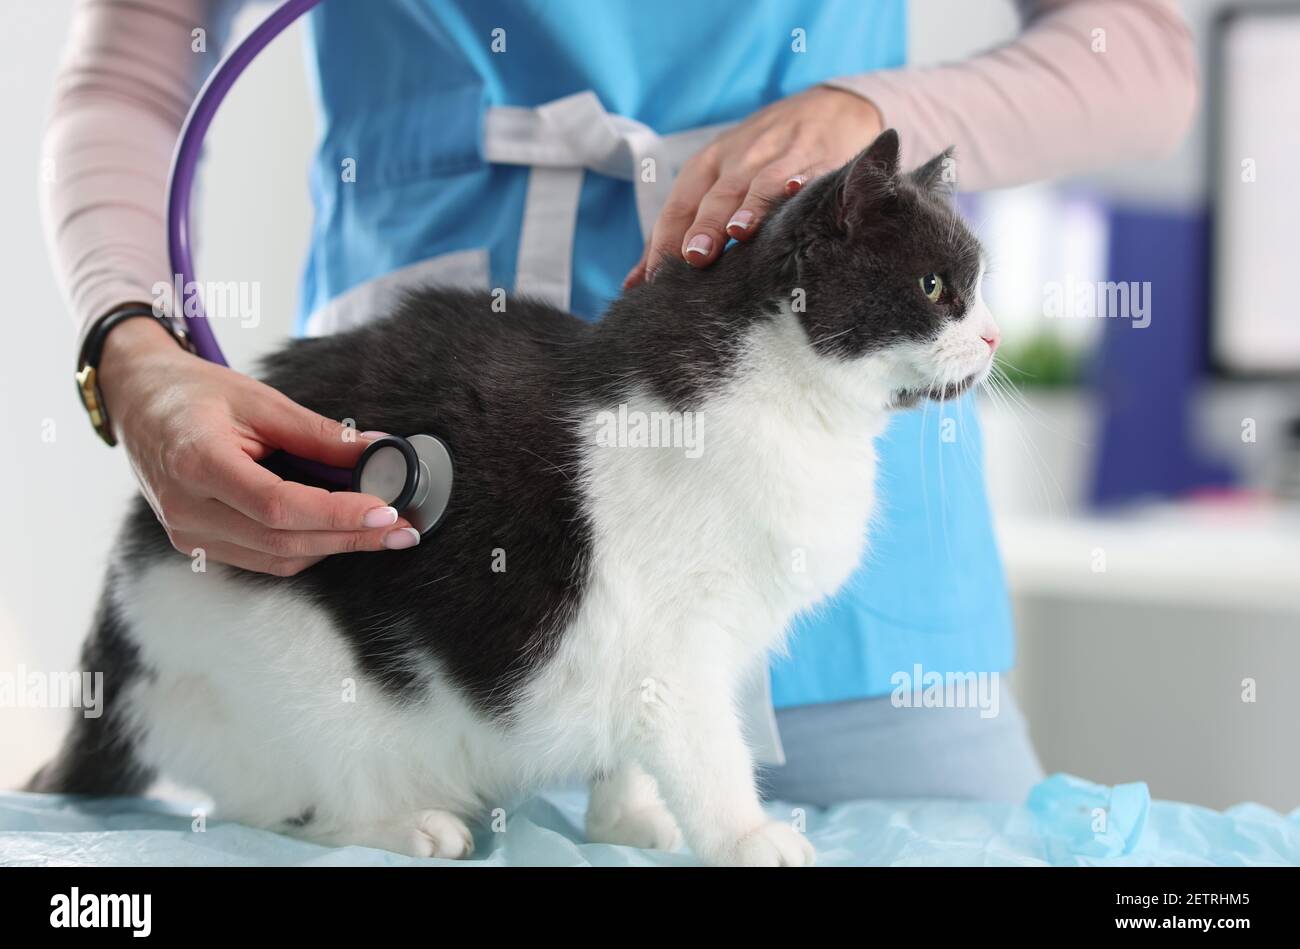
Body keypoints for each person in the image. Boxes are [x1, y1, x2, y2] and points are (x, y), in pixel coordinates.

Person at [44, 0, 1196, 807]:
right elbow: (135, 69)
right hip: (422, 562)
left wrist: (870, 111)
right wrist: (127, 344)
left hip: (860, 651)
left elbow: (1141, 58)